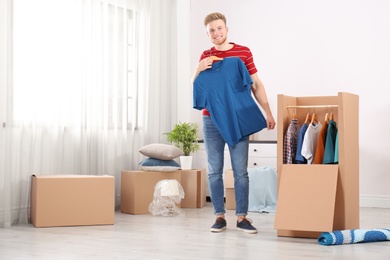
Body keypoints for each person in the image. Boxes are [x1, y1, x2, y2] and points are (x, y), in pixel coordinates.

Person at [192, 12, 276, 234]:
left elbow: (256, 84)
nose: (216, 33)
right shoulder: (205, 55)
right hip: (211, 119)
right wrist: (198, 68)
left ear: (226, 29)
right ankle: (219, 216)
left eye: (219, 28)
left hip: (238, 117)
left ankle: (242, 217)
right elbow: (197, 87)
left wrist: (268, 112)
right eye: (211, 30)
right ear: (207, 34)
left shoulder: (243, 53)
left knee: (240, 170)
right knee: (214, 169)